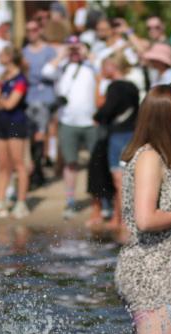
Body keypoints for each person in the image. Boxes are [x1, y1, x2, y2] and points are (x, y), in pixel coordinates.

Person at [115, 84, 171, 334]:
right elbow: (146, 219)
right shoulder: (149, 158)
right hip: (151, 276)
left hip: (162, 274)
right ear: (170, 119)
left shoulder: (158, 158)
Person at [47, 36, 97, 220]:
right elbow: (46, 71)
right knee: (70, 163)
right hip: (68, 122)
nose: (75, 51)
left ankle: (98, 200)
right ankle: (70, 200)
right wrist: (62, 54)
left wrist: (86, 53)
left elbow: (100, 67)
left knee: (96, 162)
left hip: (91, 122)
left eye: (77, 48)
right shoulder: (62, 67)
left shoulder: (91, 66)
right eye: (72, 48)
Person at [94, 54, 139, 238]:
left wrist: (98, 117)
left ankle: (120, 219)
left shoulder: (115, 86)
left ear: (113, 67)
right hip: (133, 134)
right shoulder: (133, 87)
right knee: (128, 179)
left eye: (105, 66)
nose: (103, 71)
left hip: (118, 135)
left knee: (119, 180)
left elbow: (106, 109)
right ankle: (124, 218)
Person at [0, 45, 31, 220]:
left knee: (18, 164)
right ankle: (0, 201)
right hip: (2, 123)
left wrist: (1, 100)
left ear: (10, 57)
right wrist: (1, 100)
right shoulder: (3, 77)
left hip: (16, 124)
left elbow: (10, 104)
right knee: (3, 165)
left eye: (2, 54)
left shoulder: (21, 79)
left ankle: (21, 202)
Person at [23, 20, 58, 190]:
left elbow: (51, 73)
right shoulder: (24, 52)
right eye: (28, 30)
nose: (31, 33)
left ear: (40, 30)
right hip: (29, 97)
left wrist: (35, 74)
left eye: (34, 29)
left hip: (45, 98)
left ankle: (39, 169)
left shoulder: (49, 50)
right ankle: (37, 170)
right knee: (31, 135)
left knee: (41, 134)